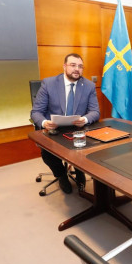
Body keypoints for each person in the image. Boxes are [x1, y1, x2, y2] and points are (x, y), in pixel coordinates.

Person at [31, 53, 100, 193]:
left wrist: (85, 119)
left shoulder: (88, 86)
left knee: (86, 149)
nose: (77, 69)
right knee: (47, 154)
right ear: (64, 66)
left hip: (77, 129)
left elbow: (95, 112)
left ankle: (79, 170)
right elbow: (36, 112)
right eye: (73, 65)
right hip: (53, 130)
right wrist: (45, 123)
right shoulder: (49, 83)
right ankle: (61, 175)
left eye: (80, 66)